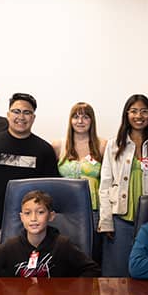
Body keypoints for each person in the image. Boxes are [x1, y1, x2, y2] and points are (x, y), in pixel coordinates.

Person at [0, 93, 59, 258]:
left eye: (26, 112)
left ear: (33, 117)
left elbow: (49, 189)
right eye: (16, 111)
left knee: (25, 276)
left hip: (31, 230)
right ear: (8, 115)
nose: (21, 116)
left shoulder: (44, 149)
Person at [98, 94, 148, 277]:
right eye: (134, 111)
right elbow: (105, 184)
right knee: (116, 274)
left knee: (146, 272)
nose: (139, 116)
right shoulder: (114, 145)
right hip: (120, 219)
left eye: (144, 111)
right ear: (127, 114)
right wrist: (106, 222)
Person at [0, 190, 100, 277]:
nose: (33, 218)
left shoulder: (62, 245)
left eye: (40, 212)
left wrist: (68, 292)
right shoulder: (11, 246)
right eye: (28, 213)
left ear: (51, 216)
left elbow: (91, 269)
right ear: (21, 217)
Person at [52, 102, 107, 264]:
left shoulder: (103, 145)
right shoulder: (58, 146)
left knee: (91, 256)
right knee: (63, 256)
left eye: (85, 116)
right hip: (64, 211)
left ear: (92, 120)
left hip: (93, 210)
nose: (80, 121)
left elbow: (108, 182)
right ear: (70, 120)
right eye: (76, 116)